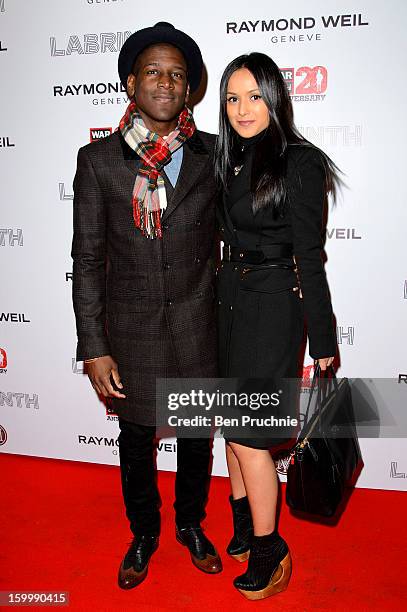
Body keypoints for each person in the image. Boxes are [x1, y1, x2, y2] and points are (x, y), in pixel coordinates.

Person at [72, 22, 221, 590]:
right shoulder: (99, 162)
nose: (166, 82)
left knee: (193, 440)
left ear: (190, 90)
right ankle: (144, 532)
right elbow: (86, 261)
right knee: (135, 442)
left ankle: (190, 525)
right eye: (154, 71)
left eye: (177, 74)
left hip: (197, 327)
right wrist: (95, 347)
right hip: (130, 333)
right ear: (132, 82)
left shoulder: (211, 157)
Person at [215, 53, 339, 600]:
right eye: (233, 98)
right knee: (230, 427)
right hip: (228, 299)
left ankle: (270, 550)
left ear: (275, 97)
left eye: (254, 96)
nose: (243, 109)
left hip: (274, 305)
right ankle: (243, 527)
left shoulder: (302, 163)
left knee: (249, 434)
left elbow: (309, 257)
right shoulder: (228, 158)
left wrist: (325, 339)